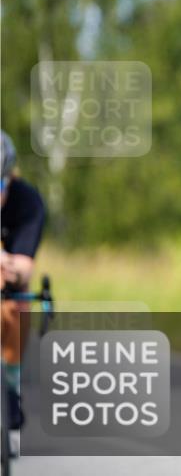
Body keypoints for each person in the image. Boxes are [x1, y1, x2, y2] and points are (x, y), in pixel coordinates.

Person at [1, 129, 47, 440]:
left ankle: (12, 387)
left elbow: (23, 268)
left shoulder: (27, 201)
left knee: (16, 304)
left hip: (7, 285)